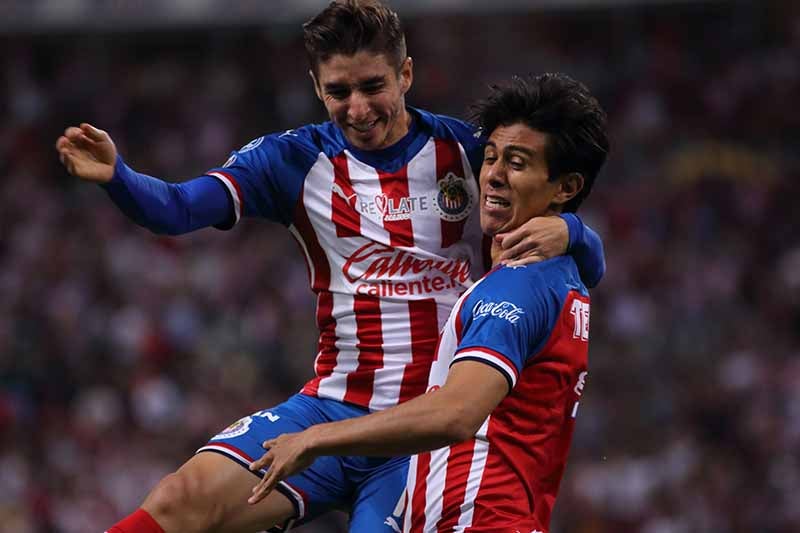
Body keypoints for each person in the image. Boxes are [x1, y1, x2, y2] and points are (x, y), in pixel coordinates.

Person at [55, 2, 605, 532]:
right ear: (317, 87)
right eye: (339, 92)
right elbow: (177, 209)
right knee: (181, 499)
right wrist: (119, 177)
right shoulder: (291, 160)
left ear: (405, 75)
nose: (358, 109)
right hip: (331, 407)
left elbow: (575, 262)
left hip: (422, 435)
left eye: (372, 87)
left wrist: (572, 230)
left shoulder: (469, 152)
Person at [247, 72, 609, 533]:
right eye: (491, 157)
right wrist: (575, 231)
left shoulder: (516, 288)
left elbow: (455, 413)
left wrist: (315, 438)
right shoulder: (561, 275)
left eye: (517, 163)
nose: (493, 175)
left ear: (566, 187)